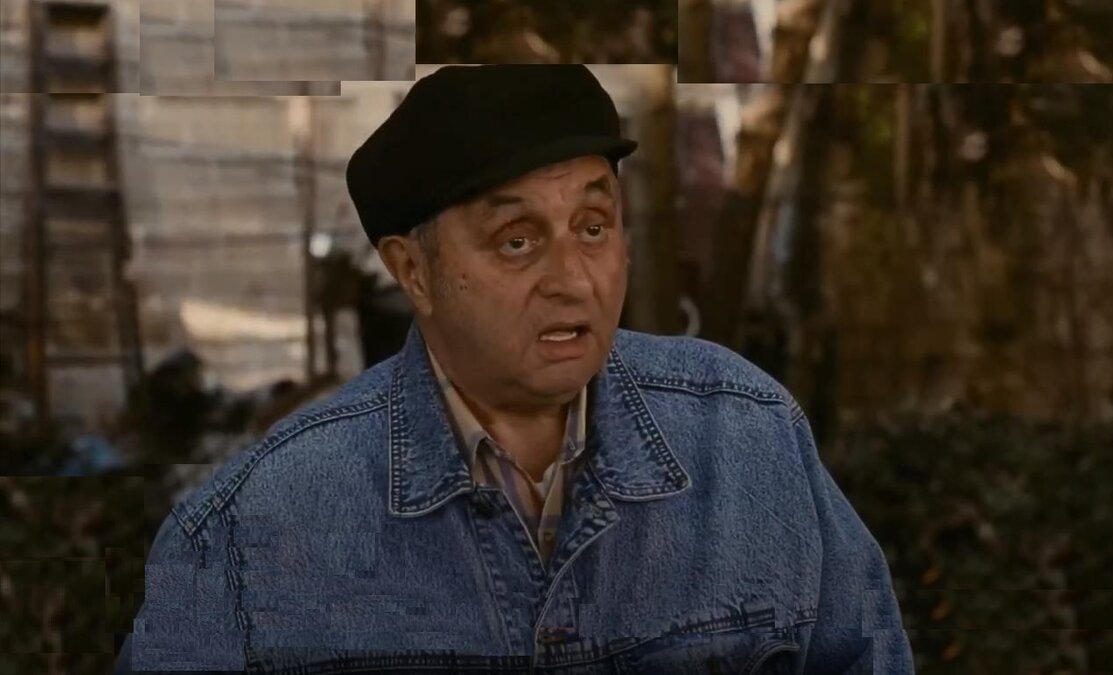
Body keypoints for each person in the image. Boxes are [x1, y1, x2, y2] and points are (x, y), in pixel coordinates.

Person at [116, 64, 913, 674]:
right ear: (413, 271)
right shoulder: (253, 528)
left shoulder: (750, 442)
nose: (573, 279)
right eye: (517, 241)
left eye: (593, 226)